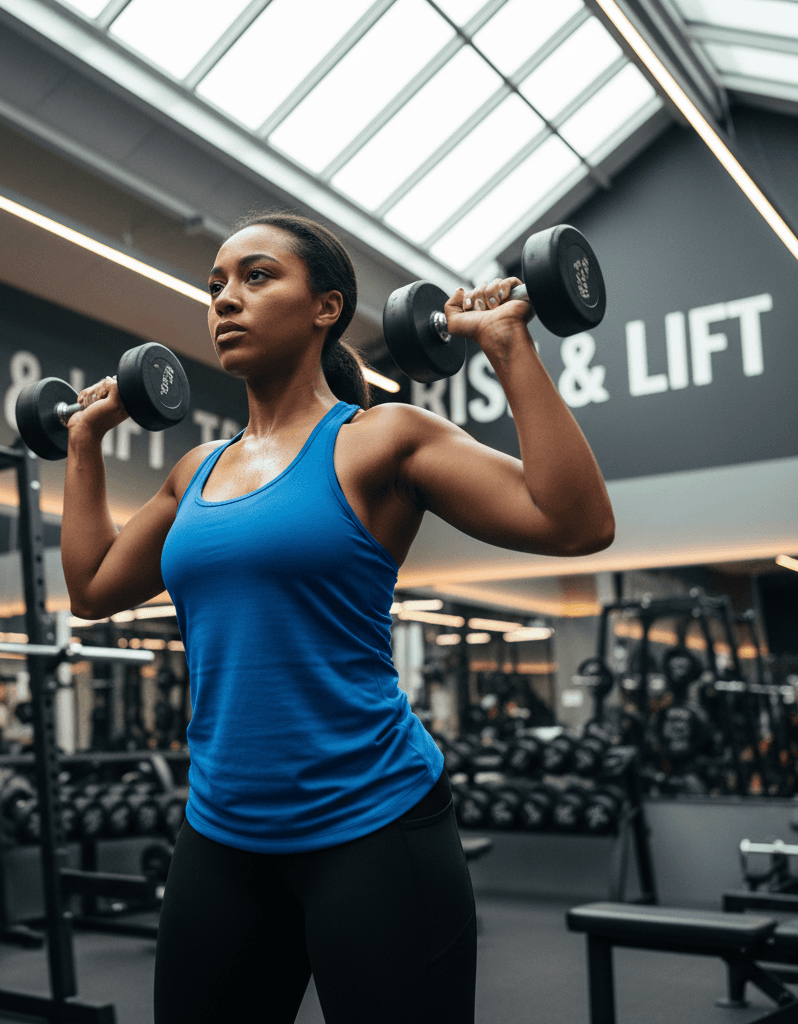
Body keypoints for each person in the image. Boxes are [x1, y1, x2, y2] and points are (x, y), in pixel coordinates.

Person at [61, 211, 615, 1024]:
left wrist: (506, 345)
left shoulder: (378, 438)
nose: (224, 300)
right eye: (215, 286)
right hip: (221, 833)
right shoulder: (195, 470)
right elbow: (94, 589)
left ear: (326, 307)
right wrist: (83, 444)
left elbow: (575, 523)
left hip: (373, 827)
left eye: (256, 277)